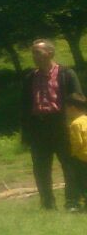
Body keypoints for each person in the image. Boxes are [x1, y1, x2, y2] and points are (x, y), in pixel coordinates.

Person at [21, 39, 83, 210]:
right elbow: (24, 106)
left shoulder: (66, 74)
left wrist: (77, 123)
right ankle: (47, 203)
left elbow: (77, 99)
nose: (34, 56)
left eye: (38, 52)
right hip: (38, 126)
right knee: (41, 167)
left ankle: (72, 202)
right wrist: (26, 131)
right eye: (33, 53)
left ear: (50, 53)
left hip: (61, 124)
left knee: (69, 164)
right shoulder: (30, 78)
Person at [64, 93, 87, 212]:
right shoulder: (85, 120)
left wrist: (73, 154)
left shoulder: (75, 124)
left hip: (82, 158)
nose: (66, 111)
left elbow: (78, 142)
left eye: (66, 108)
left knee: (81, 182)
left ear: (72, 108)